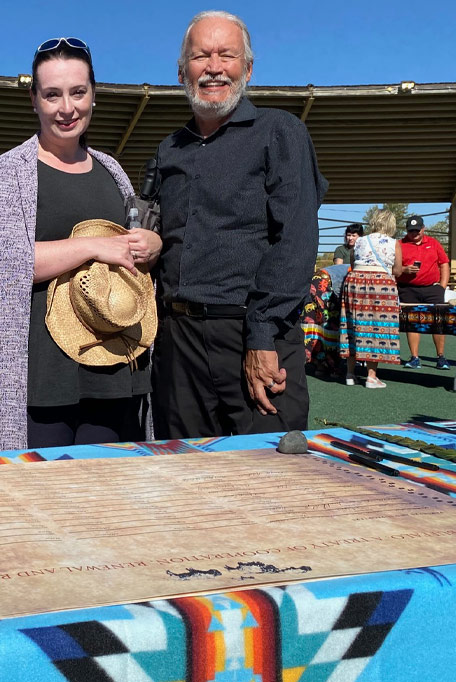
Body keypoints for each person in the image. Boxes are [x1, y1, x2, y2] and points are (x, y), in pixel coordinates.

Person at [0, 38, 161, 452]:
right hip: (38, 375)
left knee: (105, 500)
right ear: (34, 100)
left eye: (78, 92)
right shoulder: (9, 171)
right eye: (52, 95)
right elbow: (3, 266)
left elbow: (127, 251)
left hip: (112, 368)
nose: (67, 108)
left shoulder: (112, 170)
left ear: (93, 95)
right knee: (34, 502)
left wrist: (150, 243)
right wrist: (93, 246)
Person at [150, 10, 327, 438]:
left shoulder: (279, 132)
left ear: (247, 68)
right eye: (200, 56)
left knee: (267, 475)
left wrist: (262, 335)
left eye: (226, 55)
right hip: (179, 342)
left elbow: (295, 239)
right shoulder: (168, 150)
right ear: (181, 73)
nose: (213, 67)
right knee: (184, 475)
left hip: (253, 332)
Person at [338, 209, 401, 389]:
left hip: (355, 282)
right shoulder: (393, 243)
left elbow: (352, 263)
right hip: (381, 286)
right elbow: (397, 270)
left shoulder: (359, 241)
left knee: (352, 324)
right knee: (376, 327)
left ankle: (350, 374)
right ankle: (371, 377)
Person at [394, 215, 451, 370]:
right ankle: (414, 358)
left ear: (423, 229)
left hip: (433, 289)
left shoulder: (433, 243)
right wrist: (404, 269)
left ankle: (441, 357)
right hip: (408, 288)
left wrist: (442, 286)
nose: (414, 233)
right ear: (406, 231)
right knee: (412, 322)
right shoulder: (399, 244)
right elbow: (393, 268)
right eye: (411, 231)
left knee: (438, 321)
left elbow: (444, 263)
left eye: (417, 230)